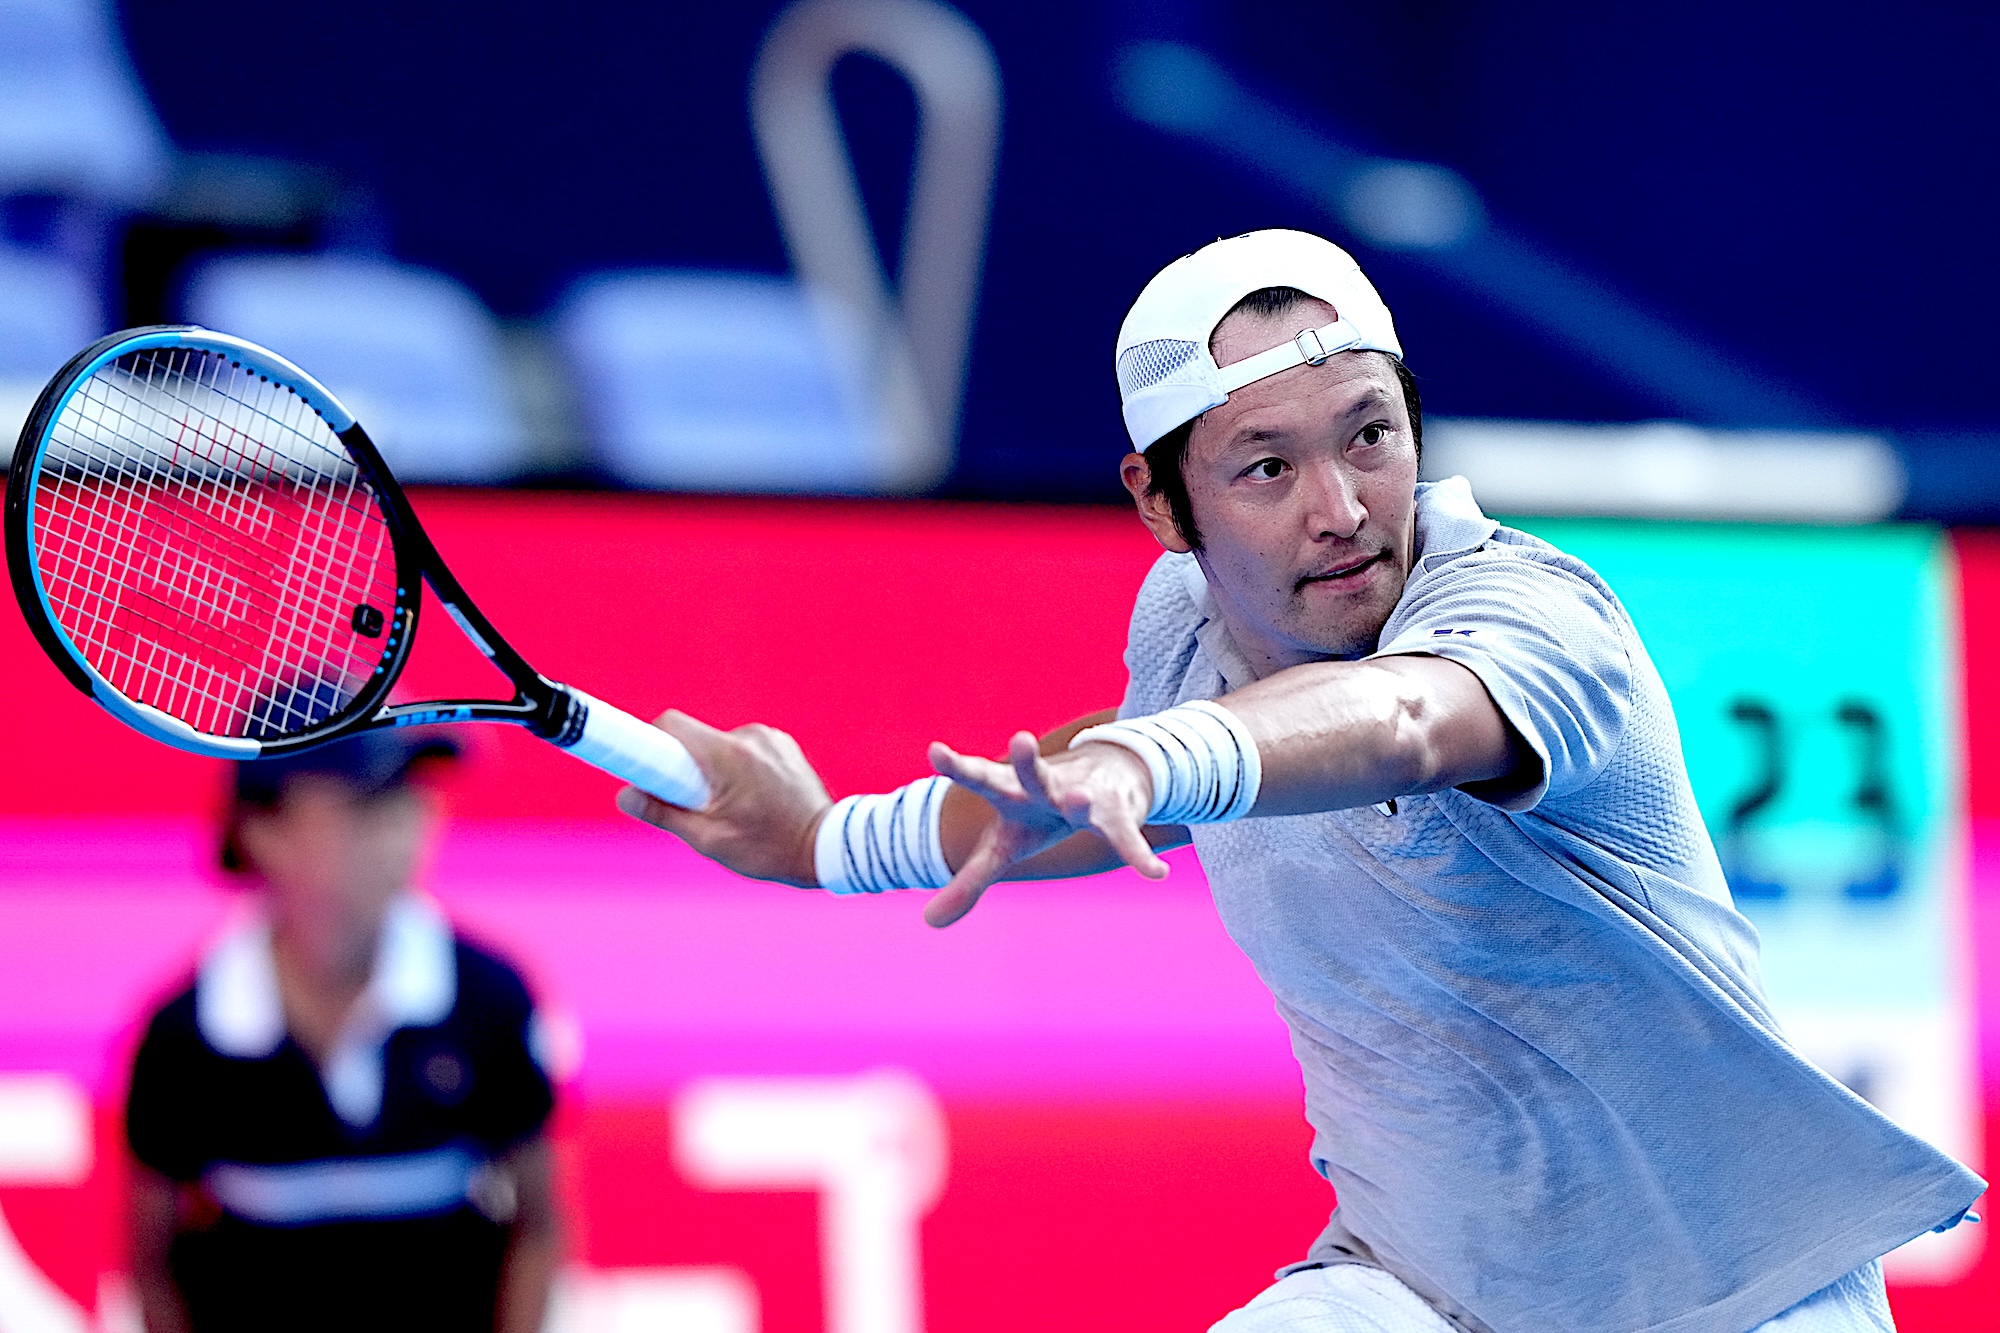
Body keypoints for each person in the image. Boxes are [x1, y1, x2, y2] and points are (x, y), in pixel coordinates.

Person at [617, 229, 1984, 1332]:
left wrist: (1154, 756)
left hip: (1732, 1296)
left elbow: (1391, 720)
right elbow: (1078, 792)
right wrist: (825, 839)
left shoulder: (1534, 617)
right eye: (1267, 466)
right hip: (1421, 1285)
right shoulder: (1185, 632)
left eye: (1370, 436)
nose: (1339, 506)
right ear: (1162, 505)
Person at [125, 730, 560, 1333]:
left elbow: (540, 1226)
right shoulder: (184, 1034)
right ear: (264, 831)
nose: (408, 821)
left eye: (412, 795)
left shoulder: (490, 998)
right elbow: (151, 1263)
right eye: (367, 801)